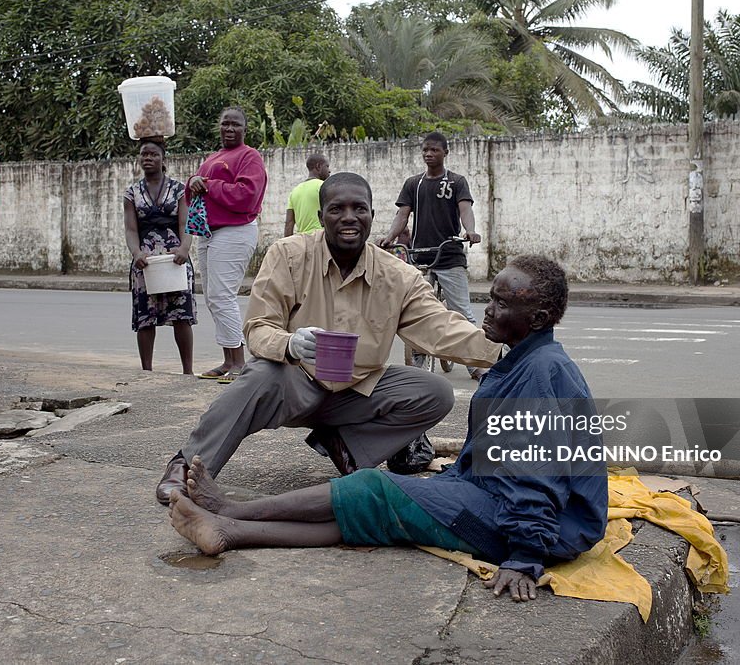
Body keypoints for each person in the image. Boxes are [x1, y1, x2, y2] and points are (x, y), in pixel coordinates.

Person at [168, 254, 609, 602]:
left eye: (502, 303)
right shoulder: (524, 359)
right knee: (377, 514)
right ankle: (229, 531)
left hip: (533, 527)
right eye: (489, 297)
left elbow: (537, 474)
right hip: (502, 503)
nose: (487, 310)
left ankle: (230, 511)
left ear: (537, 318)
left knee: (373, 490)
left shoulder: (540, 372)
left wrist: (525, 557)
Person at [156, 172, 502, 505]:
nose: (349, 217)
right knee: (258, 375)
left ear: (371, 215)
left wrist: (502, 351)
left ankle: (345, 446)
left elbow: (440, 327)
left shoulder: (399, 276)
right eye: (337, 209)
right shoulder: (288, 255)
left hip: (357, 390)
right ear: (322, 217)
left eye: (359, 208)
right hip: (295, 382)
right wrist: (290, 344)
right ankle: (188, 465)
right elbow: (258, 327)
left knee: (434, 392)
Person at [378, 132, 485, 381]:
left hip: (449, 254)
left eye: (434, 150)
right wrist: (390, 236)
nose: (429, 154)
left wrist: (470, 231)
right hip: (419, 255)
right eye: (425, 149)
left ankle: (476, 364)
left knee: (463, 312)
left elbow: (465, 209)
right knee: (416, 310)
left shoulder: (457, 182)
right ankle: (418, 359)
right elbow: (402, 216)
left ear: (445, 153)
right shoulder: (413, 184)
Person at [188, 107, 268, 381]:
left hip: (235, 230)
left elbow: (246, 195)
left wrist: (208, 184)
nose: (229, 129)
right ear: (219, 127)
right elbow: (193, 192)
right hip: (209, 233)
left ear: (245, 130)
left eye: (236, 125)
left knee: (222, 295)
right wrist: (194, 181)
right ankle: (227, 359)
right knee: (213, 297)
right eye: (225, 124)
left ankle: (239, 361)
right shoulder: (213, 158)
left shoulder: (250, 156)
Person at [123, 139, 196, 374]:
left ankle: (187, 371)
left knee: (181, 315)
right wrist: (136, 253)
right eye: (144, 154)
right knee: (145, 317)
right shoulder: (131, 193)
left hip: (175, 258)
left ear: (164, 159)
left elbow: (185, 223)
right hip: (145, 261)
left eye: (153, 154)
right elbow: (131, 229)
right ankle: (147, 371)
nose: (148, 158)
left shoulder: (179, 189)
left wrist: (185, 248)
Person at [284, 153, 330, 236]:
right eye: (327, 166)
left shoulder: (295, 191)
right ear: (318, 166)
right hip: (321, 238)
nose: (329, 170)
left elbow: (289, 223)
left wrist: (287, 245)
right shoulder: (324, 186)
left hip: (302, 241)